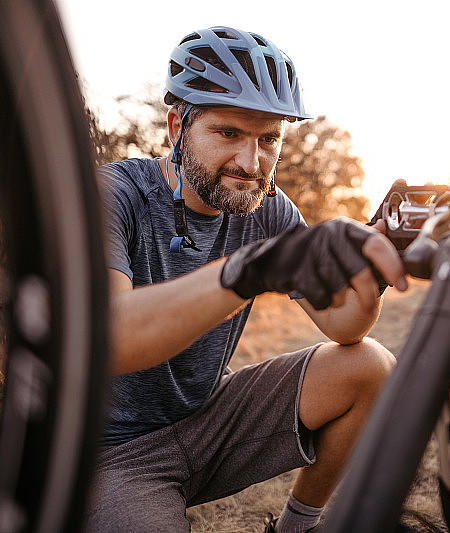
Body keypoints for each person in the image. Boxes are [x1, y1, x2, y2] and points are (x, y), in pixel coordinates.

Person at [84, 26, 407, 533]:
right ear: (176, 126)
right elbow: (111, 339)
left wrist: (378, 267)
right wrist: (249, 271)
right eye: (228, 134)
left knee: (370, 366)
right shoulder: (114, 196)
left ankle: (296, 528)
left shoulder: (269, 209)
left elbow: (345, 325)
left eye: (269, 139)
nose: (250, 162)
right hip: (115, 454)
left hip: (209, 421)